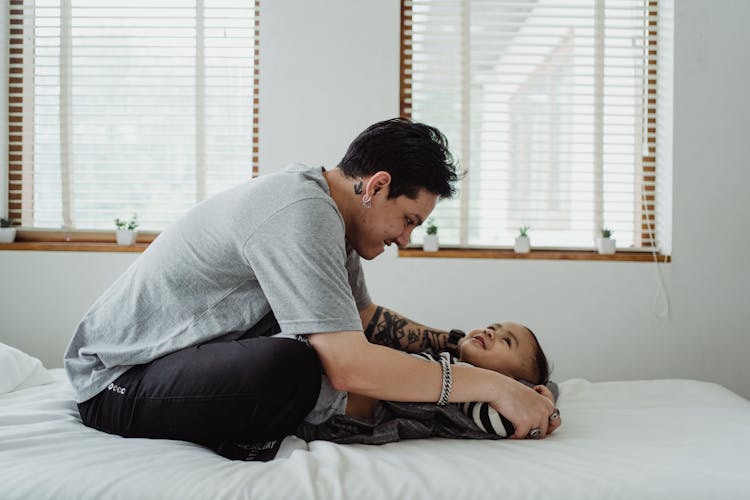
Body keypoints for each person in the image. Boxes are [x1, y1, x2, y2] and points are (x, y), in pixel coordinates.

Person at [64, 118, 558, 459]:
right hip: (115, 380)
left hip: (166, 368)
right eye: (408, 220)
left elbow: (362, 321)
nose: (405, 239)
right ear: (377, 185)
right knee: (294, 367)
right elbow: (349, 366)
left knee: (311, 357)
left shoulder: (333, 218)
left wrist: (461, 348)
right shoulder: (299, 213)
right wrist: (493, 385)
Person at [307, 321, 559, 439]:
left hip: (338, 403)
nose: (490, 331)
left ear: (513, 382)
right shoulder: (455, 365)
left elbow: (510, 418)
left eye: (506, 341)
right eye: (494, 326)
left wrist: (537, 398)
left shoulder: (480, 401)